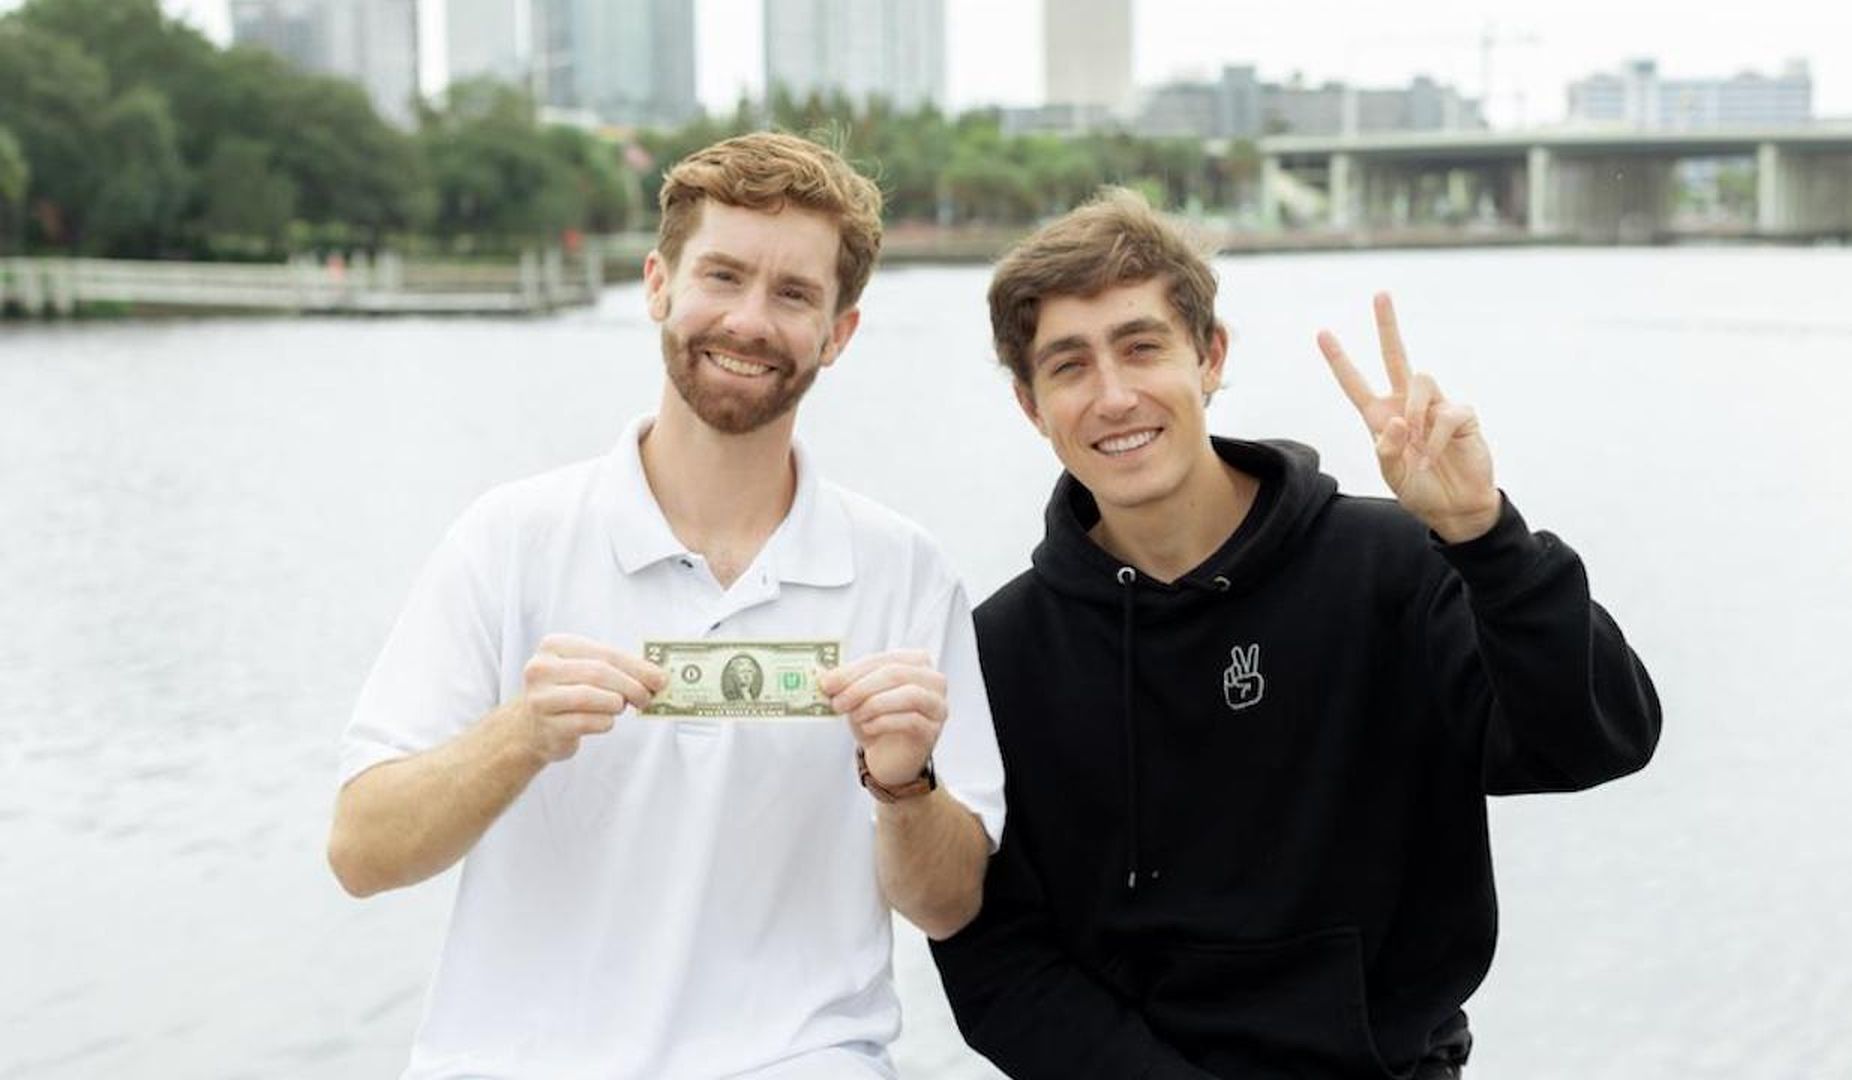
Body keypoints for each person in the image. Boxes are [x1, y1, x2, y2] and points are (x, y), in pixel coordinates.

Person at [929, 188, 1660, 1079]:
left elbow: (1593, 742)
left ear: (1210, 356)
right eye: (1070, 366)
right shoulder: (1001, 652)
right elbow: (995, 958)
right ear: (1030, 403)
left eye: (1141, 346)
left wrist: (1485, 536)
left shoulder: (1393, 565)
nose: (1114, 396)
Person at [327, 132, 1004, 1080]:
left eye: (794, 294)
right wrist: (521, 733)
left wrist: (903, 785)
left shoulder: (905, 573)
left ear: (839, 333)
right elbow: (362, 853)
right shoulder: (510, 539)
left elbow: (949, 905)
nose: (749, 321)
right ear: (657, 284)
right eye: (721, 276)